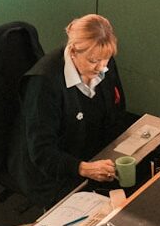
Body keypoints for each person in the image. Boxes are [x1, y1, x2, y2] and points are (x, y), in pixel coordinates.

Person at [7, 14, 129, 208]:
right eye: (93, 61)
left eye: (106, 59)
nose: (102, 68)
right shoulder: (43, 83)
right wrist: (83, 168)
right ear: (73, 51)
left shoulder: (104, 62)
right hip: (53, 172)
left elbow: (117, 112)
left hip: (93, 155)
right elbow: (42, 152)